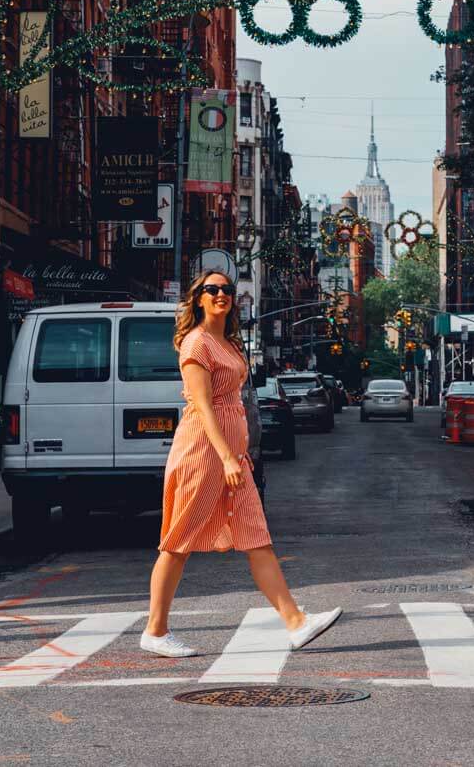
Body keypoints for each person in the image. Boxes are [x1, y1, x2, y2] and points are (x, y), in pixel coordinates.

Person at [141, 270, 341, 657]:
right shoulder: (196, 343)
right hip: (203, 452)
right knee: (178, 541)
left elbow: (233, 404)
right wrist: (224, 456)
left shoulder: (228, 343)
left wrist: (239, 452)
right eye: (212, 290)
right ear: (198, 298)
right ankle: (155, 630)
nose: (221, 295)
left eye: (227, 290)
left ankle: (297, 623)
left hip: (233, 457)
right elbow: (202, 407)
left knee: (257, 537)